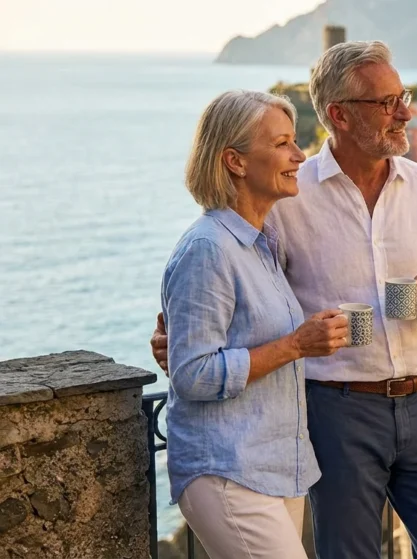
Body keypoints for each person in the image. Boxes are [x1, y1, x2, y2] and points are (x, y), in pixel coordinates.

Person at [152, 42, 417, 558]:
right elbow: (230, 272)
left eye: (404, 96)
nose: (405, 112)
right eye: (386, 102)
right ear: (338, 115)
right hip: (337, 412)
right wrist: (181, 338)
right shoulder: (287, 195)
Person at [160, 90, 350, 559]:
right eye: (282, 143)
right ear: (235, 161)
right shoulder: (209, 249)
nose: (298, 155)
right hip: (226, 470)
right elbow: (193, 375)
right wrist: (296, 344)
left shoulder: (261, 243)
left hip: (275, 466)